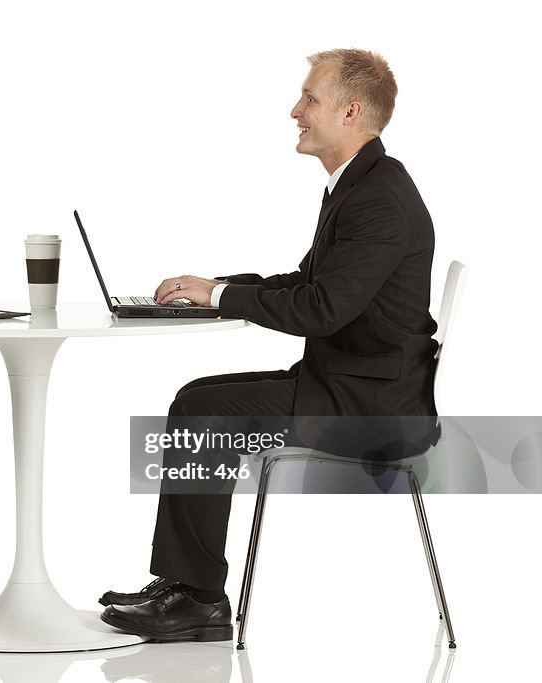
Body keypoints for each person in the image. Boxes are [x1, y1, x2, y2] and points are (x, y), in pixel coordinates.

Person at [99, 49, 439, 641]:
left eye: (309, 99)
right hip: (349, 385)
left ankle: (197, 598)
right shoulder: (359, 185)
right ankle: (187, 587)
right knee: (197, 399)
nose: (295, 111)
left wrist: (221, 298)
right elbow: (311, 284)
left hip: (372, 409)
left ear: (351, 111)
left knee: (202, 410)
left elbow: (322, 309)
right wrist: (217, 287)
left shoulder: (379, 199)